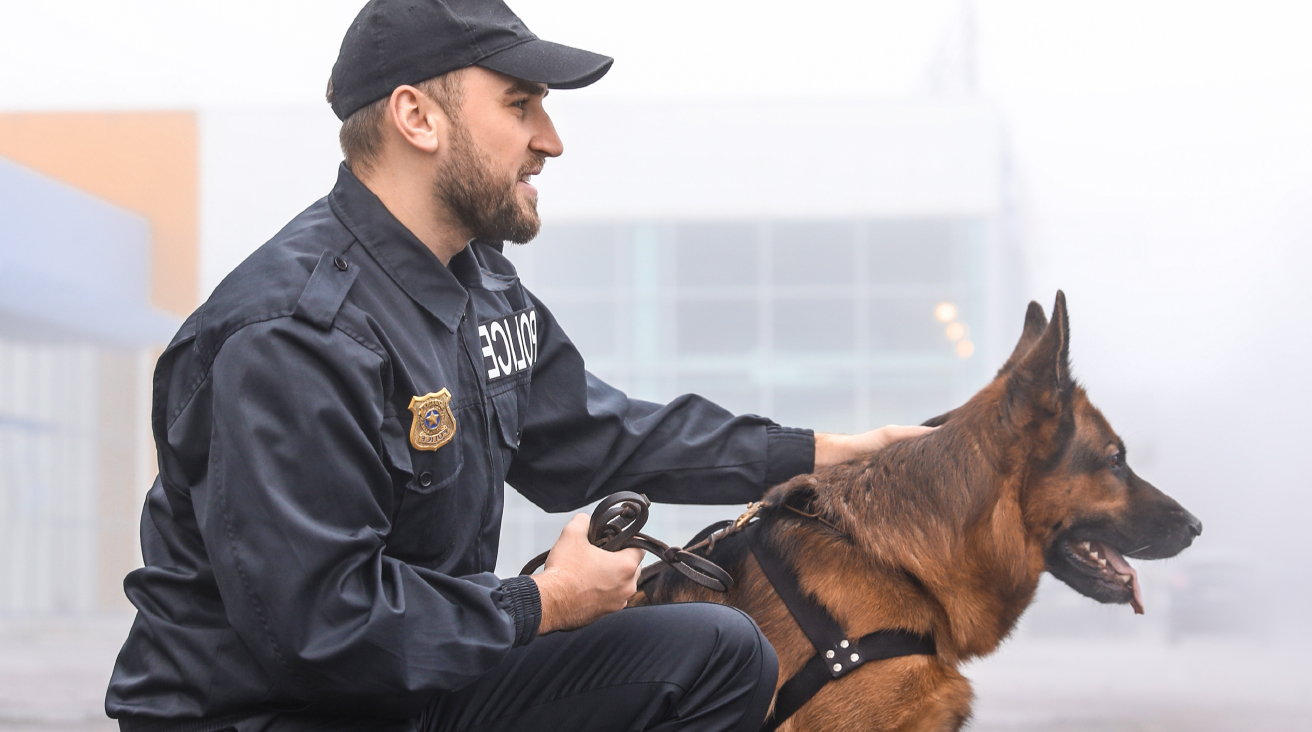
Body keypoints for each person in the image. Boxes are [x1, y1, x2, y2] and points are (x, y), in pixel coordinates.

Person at [105, 1, 932, 731]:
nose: (552, 140)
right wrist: (543, 603)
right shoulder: (292, 337)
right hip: (272, 713)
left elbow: (605, 435)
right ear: (416, 118)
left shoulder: (482, 285)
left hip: (403, 691)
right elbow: (322, 627)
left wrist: (829, 456)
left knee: (715, 654)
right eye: (520, 103)